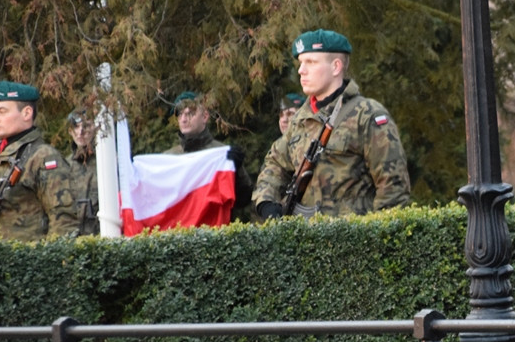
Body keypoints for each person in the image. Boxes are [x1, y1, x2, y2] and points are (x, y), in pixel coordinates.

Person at [253, 29, 410, 218]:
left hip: (352, 239)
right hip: (303, 240)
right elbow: (275, 163)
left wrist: (376, 238)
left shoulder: (367, 115)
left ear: (336, 67)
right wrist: (267, 203)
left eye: (311, 62)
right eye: (301, 63)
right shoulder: (299, 120)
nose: (301, 70)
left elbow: (393, 188)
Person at [0, 81, 78, 248]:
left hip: (26, 265)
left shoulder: (43, 157)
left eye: (2, 112)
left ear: (26, 113)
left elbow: (64, 221)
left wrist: (49, 265)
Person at [165, 91, 253, 220]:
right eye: (179, 114)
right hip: (178, 234)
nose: (183, 119)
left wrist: (236, 170)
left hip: (215, 234)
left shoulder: (223, 154)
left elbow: (243, 200)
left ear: (205, 116)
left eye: (190, 113)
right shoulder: (168, 159)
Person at [65, 106, 100, 235]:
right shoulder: (65, 166)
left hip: (104, 236)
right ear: (70, 131)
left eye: (86, 126)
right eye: (76, 127)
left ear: (96, 127)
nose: (81, 132)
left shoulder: (107, 163)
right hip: (74, 238)